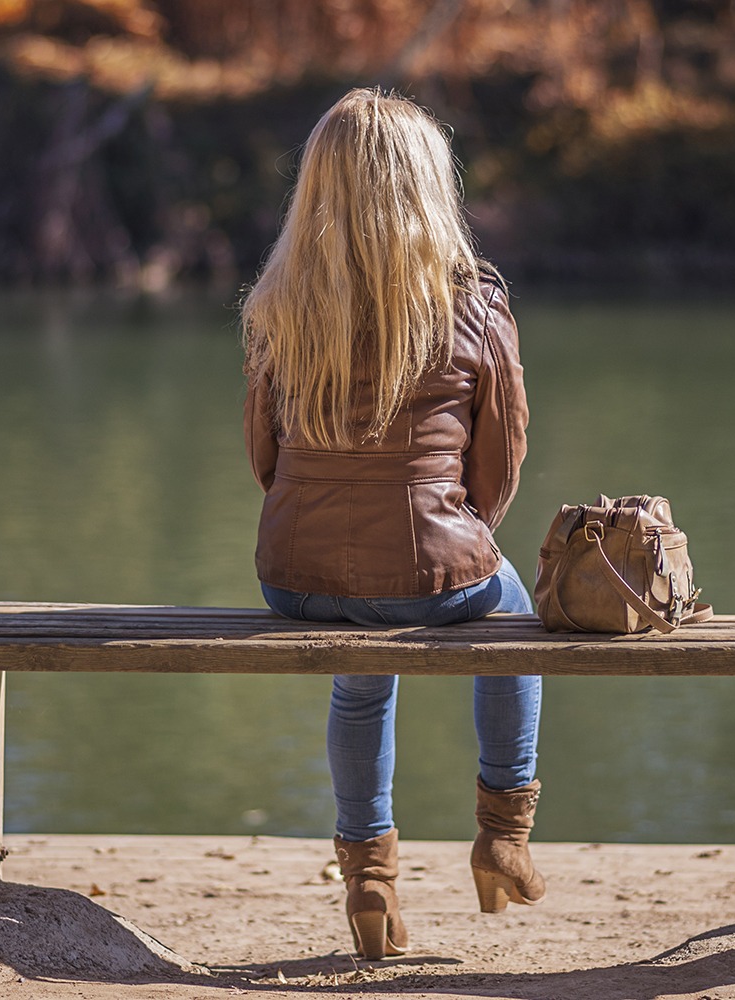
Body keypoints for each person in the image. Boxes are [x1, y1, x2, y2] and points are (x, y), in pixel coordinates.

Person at [240, 88, 544, 962]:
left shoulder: (278, 304)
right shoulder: (473, 301)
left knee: (362, 670)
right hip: (430, 571)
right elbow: (498, 469)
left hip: (293, 579)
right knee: (513, 610)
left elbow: (265, 461)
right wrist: (455, 535)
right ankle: (503, 831)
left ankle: (370, 880)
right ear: (427, 186)